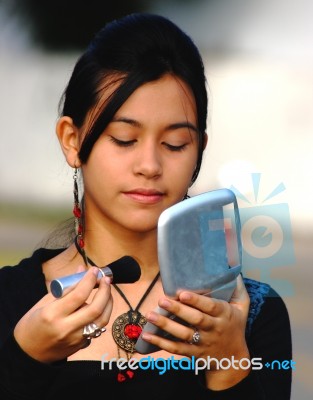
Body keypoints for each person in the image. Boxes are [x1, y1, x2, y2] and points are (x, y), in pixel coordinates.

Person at [0, 13, 292, 399]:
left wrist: (228, 363)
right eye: (124, 139)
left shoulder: (250, 315)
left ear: (199, 152)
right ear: (72, 141)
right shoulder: (12, 301)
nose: (150, 166)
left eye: (175, 144)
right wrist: (25, 357)